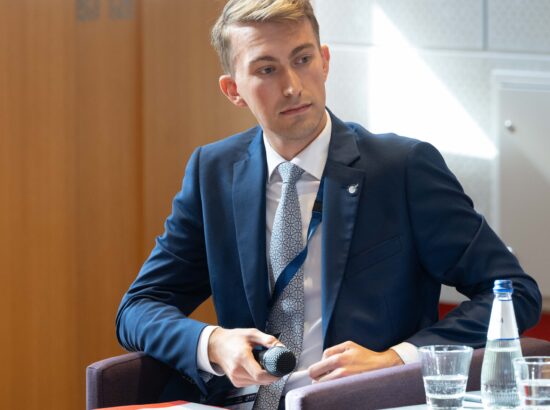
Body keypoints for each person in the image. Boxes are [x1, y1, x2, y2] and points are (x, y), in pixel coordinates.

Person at [116, 0, 541, 408]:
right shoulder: (213, 172)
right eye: (267, 69)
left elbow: (514, 293)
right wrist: (213, 342)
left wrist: (396, 360)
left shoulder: (402, 169)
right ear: (234, 90)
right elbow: (138, 307)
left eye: (302, 60)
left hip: (359, 402)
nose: (292, 86)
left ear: (325, 61)